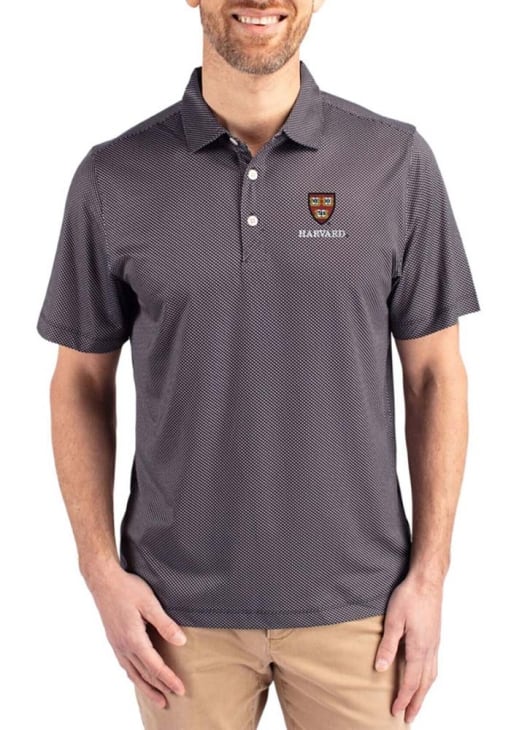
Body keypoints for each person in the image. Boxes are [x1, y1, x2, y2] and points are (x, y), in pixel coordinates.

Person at [36, 1, 481, 728]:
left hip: (361, 611)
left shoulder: (395, 162)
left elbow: (436, 375)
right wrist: (99, 572)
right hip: (176, 617)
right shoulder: (112, 177)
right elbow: (80, 382)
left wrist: (430, 578)